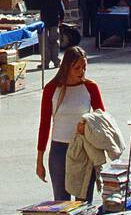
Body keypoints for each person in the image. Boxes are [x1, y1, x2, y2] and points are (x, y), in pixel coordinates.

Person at [36, 46, 105, 201]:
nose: (82, 72)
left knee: (84, 201)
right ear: (67, 67)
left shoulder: (91, 87)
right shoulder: (51, 89)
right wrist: (39, 160)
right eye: (77, 68)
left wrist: (88, 125)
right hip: (59, 149)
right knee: (61, 202)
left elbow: (102, 119)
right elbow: (45, 124)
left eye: (84, 68)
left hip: (84, 148)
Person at [28, 0, 65, 68]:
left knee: (43, 43)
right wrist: (61, 17)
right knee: (55, 41)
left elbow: (33, 7)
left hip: (42, 21)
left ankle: (45, 63)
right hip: (54, 19)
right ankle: (56, 62)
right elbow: (60, 5)